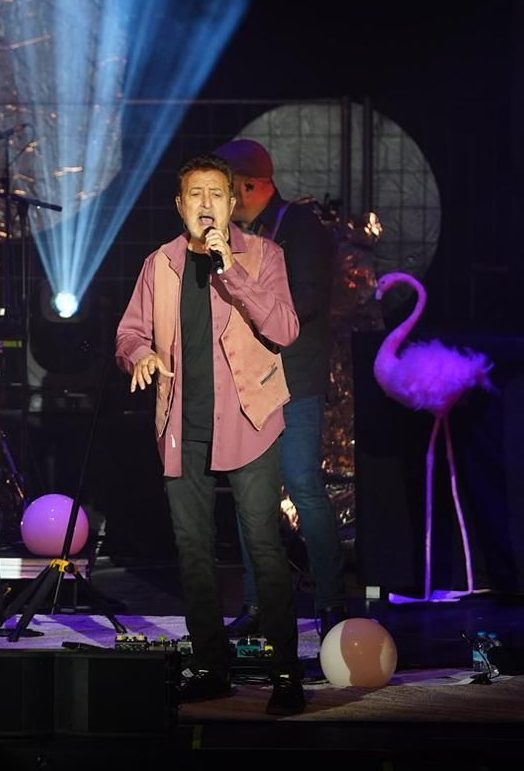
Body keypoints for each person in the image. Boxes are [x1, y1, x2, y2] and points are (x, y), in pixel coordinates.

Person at [115, 154, 306, 714]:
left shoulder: (262, 255)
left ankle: (285, 673)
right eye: (194, 195)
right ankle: (211, 666)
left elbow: (285, 329)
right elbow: (128, 332)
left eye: (216, 195)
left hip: (250, 418)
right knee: (193, 550)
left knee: (264, 547)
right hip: (183, 421)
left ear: (232, 203)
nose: (205, 205)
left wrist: (233, 273)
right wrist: (141, 354)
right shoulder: (161, 265)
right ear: (180, 207)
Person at [217, 138, 348, 640]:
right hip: (250, 385)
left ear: (250, 185)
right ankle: (258, 605)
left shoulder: (301, 227)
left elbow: (310, 301)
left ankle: (333, 604)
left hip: (292, 380)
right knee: (254, 497)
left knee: (304, 488)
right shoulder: (234, 233)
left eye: (229, 188)